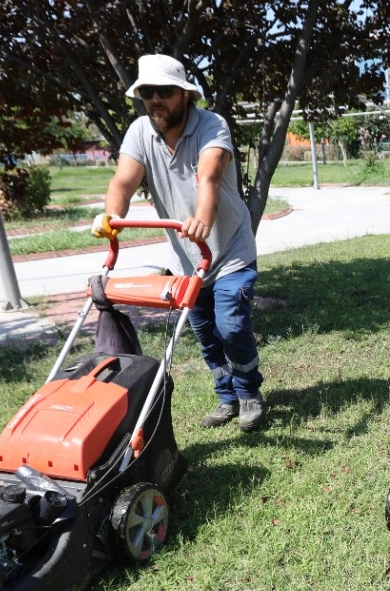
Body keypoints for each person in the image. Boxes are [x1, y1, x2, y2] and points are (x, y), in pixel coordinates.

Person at [93, 54, 266, 432]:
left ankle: (249, 392)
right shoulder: (139, 132)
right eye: (147, 92)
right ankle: (227, 397)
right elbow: (123, 181)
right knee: (205, 333)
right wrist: (112, 220)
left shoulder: (211, 124)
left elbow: (210, 175)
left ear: (185, 95)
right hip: (186, 258)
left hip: (230, 250)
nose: (156, 98)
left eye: (165, 91)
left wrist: (203, 218)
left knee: (231, 326)